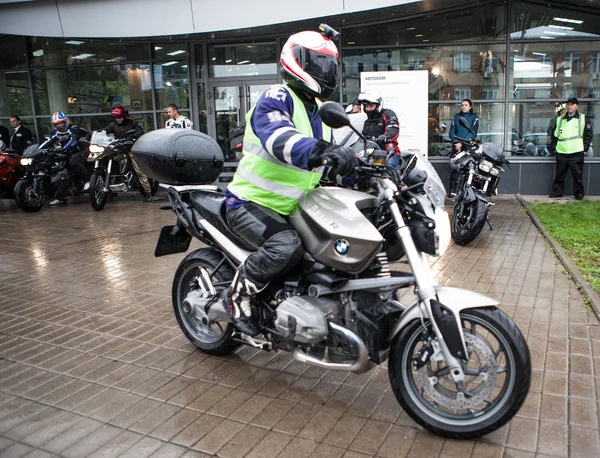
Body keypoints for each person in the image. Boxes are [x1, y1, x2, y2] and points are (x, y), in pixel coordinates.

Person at [223, 25, 358, 335]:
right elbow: (281, 140)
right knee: (286, 246)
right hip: (251, 202)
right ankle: (239, 298)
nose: (326, 73)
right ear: (296, 62)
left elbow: (338, 156)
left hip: (292, 205)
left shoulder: (322, 111)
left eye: (329, 66)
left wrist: (369, 169)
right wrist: (325, 152)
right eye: (318, 64)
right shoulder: (276, 97)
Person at [98, 106, 152, 201]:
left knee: (139, 170)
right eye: (116, 117)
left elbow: (140, 131)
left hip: (131, 148)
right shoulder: (113, 124)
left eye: (120, 117)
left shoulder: (133, 123)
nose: (118, 119)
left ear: (125, 116)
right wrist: (95, 134)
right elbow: (105, 130)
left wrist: (133, 136)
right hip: (119, 148)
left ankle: (148, 193)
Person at [43, 112, 92, 206]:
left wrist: (66, 148)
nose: (59, 126)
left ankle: (89, 179)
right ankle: (60, 196)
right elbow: (49, 142)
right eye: (56, 124)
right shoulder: (54, 133)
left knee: (73, 161)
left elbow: (73, 140)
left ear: (65, 122)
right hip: (63, 153)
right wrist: (39, 150)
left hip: (80, 151)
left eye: (60, 123)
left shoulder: (74, 129)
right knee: (55, 168)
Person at [548, 97, 592, 200]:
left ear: (577, 106)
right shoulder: (559, 119)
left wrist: (585, 149)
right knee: (560, 174)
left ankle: (579, 194)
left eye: (571, 104)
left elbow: (588, 134)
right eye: (568, 104)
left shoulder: (583, 118)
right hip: (562, 152)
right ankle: (557, 192)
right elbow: (554, 135)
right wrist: (553, 148)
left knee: (577, 175)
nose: (569, 106)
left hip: (576, 152)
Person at [358, 91, 401, 166]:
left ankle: (391, 177)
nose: (369, 109)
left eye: (371, 106)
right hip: (369, 151)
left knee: (386, 170)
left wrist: (386, 136)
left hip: (387, 151)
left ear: (378, 105)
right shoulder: (365, 120)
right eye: (367, 106)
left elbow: (393, 128)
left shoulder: (387, 114)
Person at [448, 99, 479, 196]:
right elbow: (451, 132)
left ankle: (465, 191)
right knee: (455, 168)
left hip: (467, 147)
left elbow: (473, 133)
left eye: (466, 105)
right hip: (456, 146)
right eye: (462, 105)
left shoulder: (474, 118)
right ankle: (452, 191)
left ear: (470, 107)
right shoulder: (456, 117)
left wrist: (462, 143)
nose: (463, 106)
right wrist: (456, 143)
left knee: (467, 169)